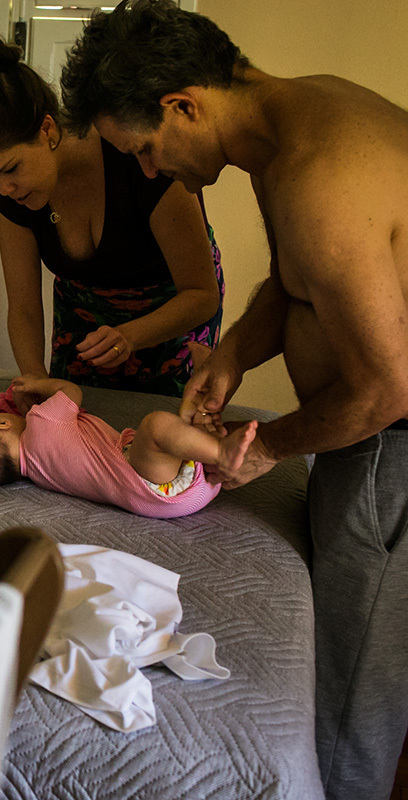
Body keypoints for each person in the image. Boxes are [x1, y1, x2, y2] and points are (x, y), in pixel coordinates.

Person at [59, 2, 408, 798]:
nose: (149, 172)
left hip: (394, 443)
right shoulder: (301, 119)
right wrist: (235, 351)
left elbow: (388, 386)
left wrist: (274, 447)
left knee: (356, 695)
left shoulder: (322, 174)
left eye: (145, 150)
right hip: (379, 432)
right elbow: (297, 284)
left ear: (183, 104)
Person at [0, 38, 224, 398]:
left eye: (10, 168)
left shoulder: (138, 160)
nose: (4, 188)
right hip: (82, 320)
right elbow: (24, 308)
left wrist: (130, 335)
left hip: (174, 315)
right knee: (78, 425)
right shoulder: (11, 196)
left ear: (47, 129)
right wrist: (36, 380)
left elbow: (201, 295)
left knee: (164, 434)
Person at [0, 375, 256, 519]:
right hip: (150, 481)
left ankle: (207, 438)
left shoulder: (37, 474)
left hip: (165, 499)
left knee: (177, 435)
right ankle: (220, 454)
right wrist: (40, 385)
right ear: (0, 422)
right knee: (157, 426)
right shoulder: (39, 423)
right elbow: (71, 391)